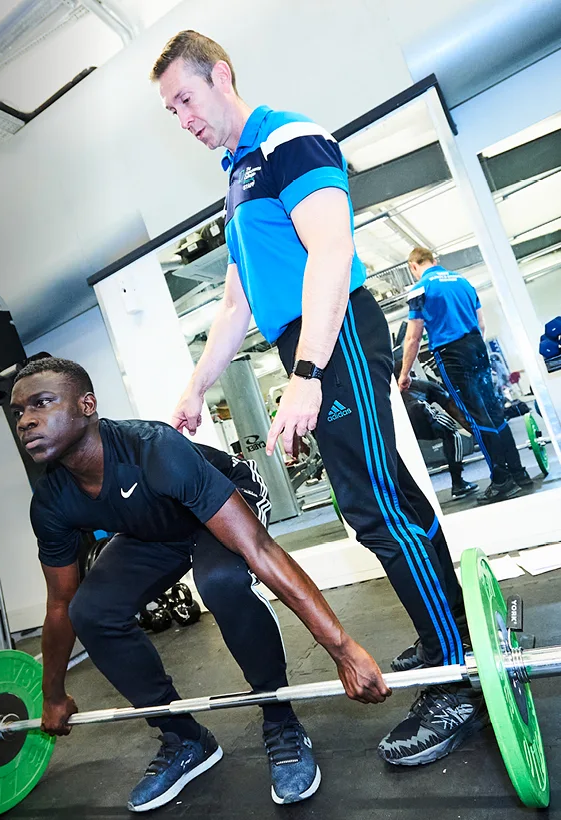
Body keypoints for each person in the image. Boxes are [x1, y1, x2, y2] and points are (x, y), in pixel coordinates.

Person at [150, 30, 485, 768]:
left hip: (330, 330)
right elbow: (237, 300)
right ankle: (447, 635)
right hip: (305, 337)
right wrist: (195, 385)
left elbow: (330, 251)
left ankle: (458, 677)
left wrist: (305, 372)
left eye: (183, 98)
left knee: (377, 510)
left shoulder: (286, 139)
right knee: (384, 499)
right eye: (169, 110)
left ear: (220, 76)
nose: (181, 118)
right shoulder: (236, 175)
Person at [12, 356, 391, 813]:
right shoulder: (51, 501)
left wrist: (343, 650)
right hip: (154, 532)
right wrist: (52, 694)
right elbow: (60, 604)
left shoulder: (152, 449)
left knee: (222, 582)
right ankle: (185, 739)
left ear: (87, 404)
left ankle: (279, 718)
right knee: (91, 612)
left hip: (225, 500)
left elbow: (260, 550)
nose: (26, 420)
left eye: (42, 403)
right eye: (18, 412)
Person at [396, 247, 534, 504]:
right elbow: (481, 324)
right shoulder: (463, 281)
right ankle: (518, 473)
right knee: (495, 412)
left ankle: (502, 481)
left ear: (413, 267)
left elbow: (413, 337)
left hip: (452, 354)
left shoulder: (420, 288)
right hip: (476, 347)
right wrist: (473, 349)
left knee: (476, 417)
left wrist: (404, 373)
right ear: (435, 260)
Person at [401, 376, 479, 502]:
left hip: (396, 421)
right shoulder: (426, 385)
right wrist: (476, 433)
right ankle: (458, 484)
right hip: (417, 410)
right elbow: (455, 412)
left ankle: (406, 498)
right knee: (452, 432)